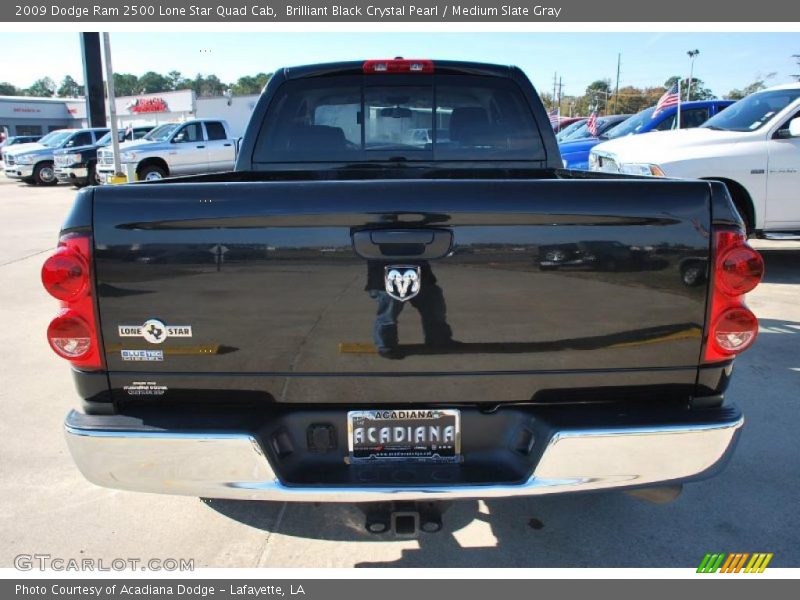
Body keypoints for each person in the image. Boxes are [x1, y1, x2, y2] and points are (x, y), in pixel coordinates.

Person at [366, 260, 455, 359]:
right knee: (388, 315)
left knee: (435, 308)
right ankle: (386, 346)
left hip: (420, 275)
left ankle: (439, 339)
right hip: (385, 275)